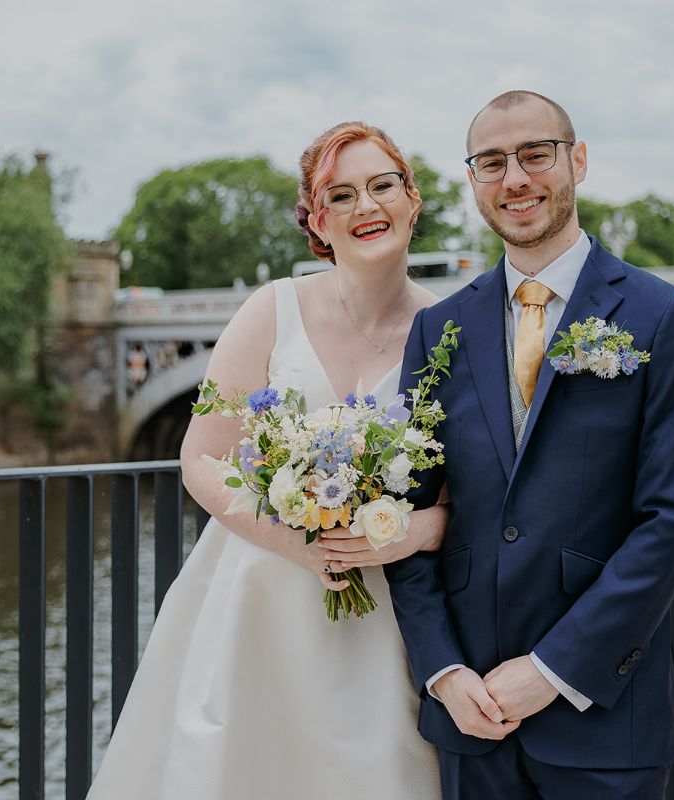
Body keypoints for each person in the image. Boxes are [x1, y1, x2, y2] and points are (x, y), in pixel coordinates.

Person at [86, 122, 444, 799]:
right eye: (339, 195)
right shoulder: (269, 310)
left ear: (413, 200)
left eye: (381, 186)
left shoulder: (449, 326)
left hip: (390, 613)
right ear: (316, 221)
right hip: (259, 601)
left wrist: (408, 532)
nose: (365, 206)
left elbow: (466, 491)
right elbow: (202, 456)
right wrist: (295, 539)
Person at [384, 90, 674, 799]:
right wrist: (441, 669)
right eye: (493, 162)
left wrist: (553, 670)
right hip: (470, 715)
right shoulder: (437, 329)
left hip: (603, 713)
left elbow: (672, 520)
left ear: (578, 161)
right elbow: (403, 520)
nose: (516, 179)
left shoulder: (663, 317)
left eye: (536, 154)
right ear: (472, 180)